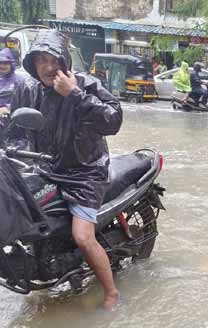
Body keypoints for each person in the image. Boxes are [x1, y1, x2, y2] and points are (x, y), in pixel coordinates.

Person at [10, 30, 122, 310]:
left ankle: (111, 293)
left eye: (52, 59)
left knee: (82, 237)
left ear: (63, 60)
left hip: (85, 174)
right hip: (45, 168)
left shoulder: (86, 83)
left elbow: (113, 120)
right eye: (40, 60)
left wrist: (75, 95)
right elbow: (11, 128)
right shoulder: (28, 89)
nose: (48, 66)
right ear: (32, 64)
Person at [0, 48, 25, 134]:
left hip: (15, 124)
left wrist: (8, 108)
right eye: (0, 63)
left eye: (6, 63)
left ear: (11, 64)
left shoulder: (20, 81)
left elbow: (26, 102)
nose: (2, 66)